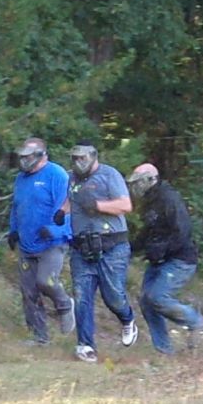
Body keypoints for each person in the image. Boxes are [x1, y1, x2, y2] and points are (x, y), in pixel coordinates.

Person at [65, 141, 137, 363]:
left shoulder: (110, 175)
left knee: (113, 296)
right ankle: (85, 345)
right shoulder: (72, 178)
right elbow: (71, 201)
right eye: (75, 158)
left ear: (94, 157)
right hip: (81, 247)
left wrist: (98, 206)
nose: (78, 163)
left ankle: (127, 320)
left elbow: (125, 205)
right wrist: (60, 213)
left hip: (111, 247)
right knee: (81, 296)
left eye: (82, 158)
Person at [126, 163, 203, 355]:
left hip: (179, 259)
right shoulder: (151, 201)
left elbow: (183, 230)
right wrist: (129, 249)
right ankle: (164, 351)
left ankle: (195, 321)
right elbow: (149, 231)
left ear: (151, 180)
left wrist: (162, 250)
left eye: (138, 182)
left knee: (157, 297)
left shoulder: (169, 198)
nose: (135, 187)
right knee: (147, 302)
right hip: (160, 260)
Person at [6, 138, 75, 346]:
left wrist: (55, 229)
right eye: (22, 157)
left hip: (51, 242)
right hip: (27, 243)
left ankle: (65, 305)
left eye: (27, 157)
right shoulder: (21, 178)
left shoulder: (57, 175)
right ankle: (39, 337)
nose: (23, 161)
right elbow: (17, 206)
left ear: (41, 156)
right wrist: (13, 231)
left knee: (46, 281)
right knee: (29, 291)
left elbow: (68, 207)